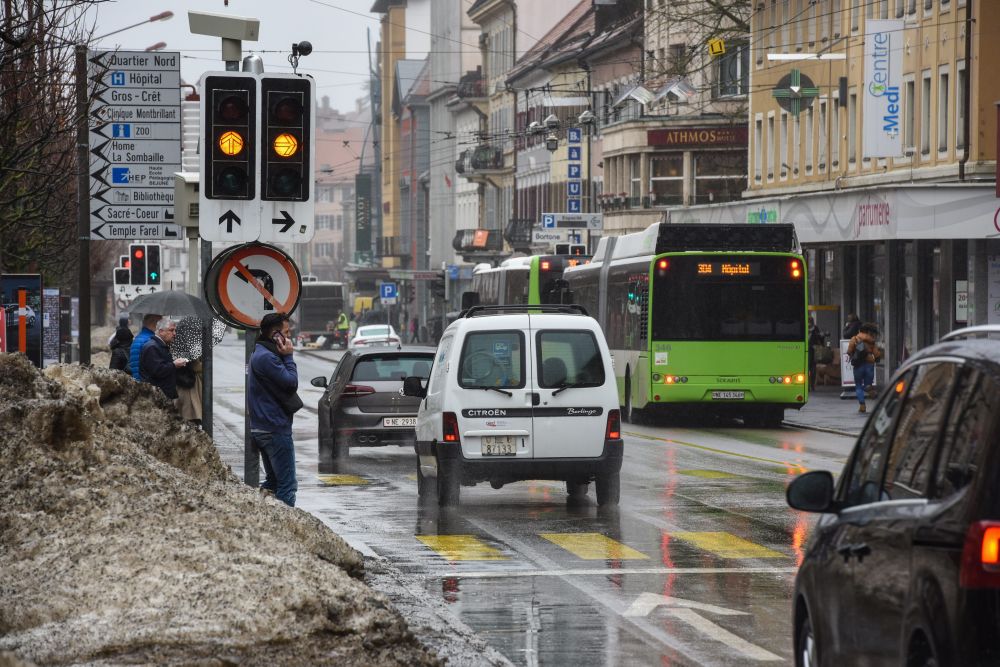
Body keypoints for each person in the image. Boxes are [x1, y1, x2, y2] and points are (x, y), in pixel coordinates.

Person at [247, 312, 299, 507]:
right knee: (287, 485)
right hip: (274, 428)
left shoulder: (260, 352)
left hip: (264, 426)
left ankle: (261, 516)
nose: (289, 336)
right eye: (286, 332)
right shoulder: (268, 357)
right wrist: (288, 356)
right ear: (276, 335)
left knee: (273, 482)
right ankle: (284, 527)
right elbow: (291, 382)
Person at [139, 318, 188, 403]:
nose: (174, 334)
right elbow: (158, 370)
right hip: (157, 395)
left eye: (175, 330)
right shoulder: (152, 347)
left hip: (162, 393)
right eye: (171, 330)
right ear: (161, 331)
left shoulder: (160, 345)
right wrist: (174, 364)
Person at [847, 322, 881, 413]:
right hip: (869, 364)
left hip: (858, 365)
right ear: (868, 331)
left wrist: (853, 354)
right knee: (868, 385)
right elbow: (877, 354)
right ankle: (870, 390)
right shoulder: (872, 340)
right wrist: (877, 359)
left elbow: (849, 351)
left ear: (860, 330)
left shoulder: (854, 338)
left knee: (858, 386)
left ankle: (862, 406)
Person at [130, 313, 161, 381]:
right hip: (144, 381)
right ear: (154, 324)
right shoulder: (149, 340)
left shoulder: (139, 337)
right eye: (160, 324)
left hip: (138, 380)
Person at [807, 317, 825, 391]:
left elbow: (820, 339)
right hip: (806, 351)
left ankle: (812, 385)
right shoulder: (804, 328)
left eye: (810, 322)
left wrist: (822, 336)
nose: (809, 323)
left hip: (813, 351)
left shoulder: (815, 328)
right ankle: (807, 386)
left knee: (813, 369)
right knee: (807, 369)